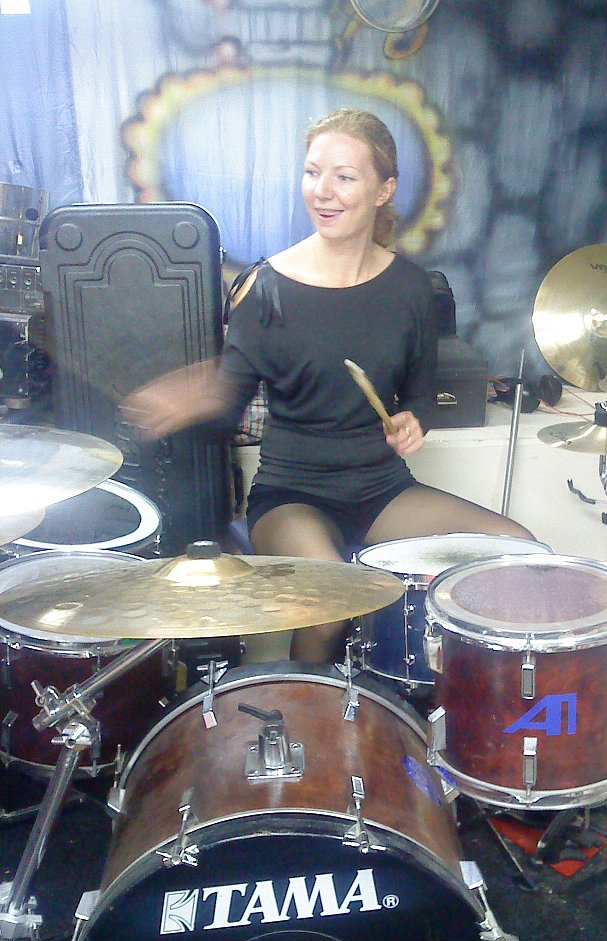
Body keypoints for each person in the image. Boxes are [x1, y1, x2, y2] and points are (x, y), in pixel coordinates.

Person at [125, 108, 534, 662]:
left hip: (381, 491)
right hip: (290, 496)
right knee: (334, 602)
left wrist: (414, 421)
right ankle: (308, 706)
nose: (323, 191)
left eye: (345, 176)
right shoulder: (266, 288)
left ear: (383, 190)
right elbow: (226, 414)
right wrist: (195, 403)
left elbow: (419, 395)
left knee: (517, 549)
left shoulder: (413, 289)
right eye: (313, 172)